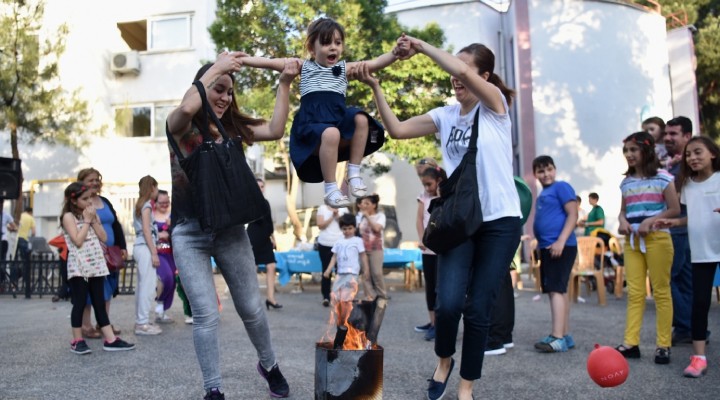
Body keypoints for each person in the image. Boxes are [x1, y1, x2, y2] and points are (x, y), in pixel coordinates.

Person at [355, 35, 522, 400]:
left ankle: (466, 387)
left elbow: (458, 67)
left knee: (478, 308)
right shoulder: (445, 116)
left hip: (500, 221)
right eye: (453, 71)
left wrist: (421, 47)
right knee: (447, 305)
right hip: (460, 222)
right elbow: (397, 130)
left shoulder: (495, 107)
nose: (455, 77)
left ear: (485, 76)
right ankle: (443, 359)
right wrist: (376, 86)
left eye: (463, 71)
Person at [165, 51, 297, 399]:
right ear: (202, 86)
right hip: (189, 233)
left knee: (252, 308)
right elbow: (186, 108)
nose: (224, 97)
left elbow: (275, 128)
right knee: (206, 314)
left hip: (229, 231)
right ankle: (213, 389)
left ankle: (269, 365)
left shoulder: (232, 127)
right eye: (218, 89)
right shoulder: (179, 127)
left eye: (229, 91)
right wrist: (218, 67)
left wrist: (283, 82)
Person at [240, 17, 401, 208]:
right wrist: (242, 59)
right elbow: (268, 62)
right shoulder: (304, 67)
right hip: (312, 125)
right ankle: (331, 188)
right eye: (326, 43)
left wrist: (395, 53)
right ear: (311, 48)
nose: (333, 47)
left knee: (361, 119)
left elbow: (375, 63)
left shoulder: (344, 69)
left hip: (338, 120)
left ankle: (354, 173)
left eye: (338, 43)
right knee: (331, 133)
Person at [655, 136, 720, 377]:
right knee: (700, 304)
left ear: (712, 153)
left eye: (698, 152)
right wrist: (673, 221)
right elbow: (694, 216)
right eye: (689, 154)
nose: (692, 158)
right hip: (702, 251)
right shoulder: (688, 185)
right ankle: (698, 358)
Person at [614, 131, 679, 364]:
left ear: (646, 150)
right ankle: (631, 343)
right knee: (636, 293)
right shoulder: (626, 182)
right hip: (632, 242)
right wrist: (622, 222)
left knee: (661, 291)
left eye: (634, 150)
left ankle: (663, 345)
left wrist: (650, 221)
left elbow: (674, 209)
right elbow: (623, 211)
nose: (629, 155)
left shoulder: (663, 177)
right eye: (626, 151)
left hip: (658, 239)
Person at [60, 182, 135, 354]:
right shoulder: (68, 217)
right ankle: (77, 340)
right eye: (84, 199)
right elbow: (77, 241)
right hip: (79, 266)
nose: (89, 202)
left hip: (95, 264)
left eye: (90, 199)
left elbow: (104, 237)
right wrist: (87, 221)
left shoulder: (92, 215)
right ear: (73, 200)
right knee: (79, 302)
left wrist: (94, 220)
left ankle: (110, 339)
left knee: (99, 302)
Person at [531, 155, 579, 353]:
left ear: (555, 169)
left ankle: (557, 337)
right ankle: (564, 335)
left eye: (549, 169)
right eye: (541, 171)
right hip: (549, 247)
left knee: (555, 290)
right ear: (535, 174)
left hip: (560, 246)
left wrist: (560, 240)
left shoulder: (561, 187)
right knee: (558, 289)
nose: (546, 174)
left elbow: (573, 214)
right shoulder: (544, 193)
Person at [77, 168, 127, 338]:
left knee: (108, 288)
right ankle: (86, 325)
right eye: (90, 180)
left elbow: (116, 225)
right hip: (91, 252)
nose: (95, 183)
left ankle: (102, 322)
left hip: (110, 253)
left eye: (97, 179)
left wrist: (122, 247)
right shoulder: (81, 202)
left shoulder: (104, 201)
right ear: (82, 182)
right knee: (91, 288)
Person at [664, 116, 694, 345]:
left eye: (673, 134)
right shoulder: (671, 163)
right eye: (666, 133)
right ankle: (689, 327)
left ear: (687, 136)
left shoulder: (687, 164)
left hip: (679, 225)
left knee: (666, 278)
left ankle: (686, 325)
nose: (667, 138)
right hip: (680, 226)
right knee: (683, 280)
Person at [415, 165, 446, 341]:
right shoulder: (423, 197)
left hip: (442, 250)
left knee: (441, 287)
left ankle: (441, 325)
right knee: (430, 287)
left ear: (438, 181)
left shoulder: (446, 196)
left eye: (429, 184)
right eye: (424, 184)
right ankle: (432, 322)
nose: (427, 188)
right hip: (428, 249)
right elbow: (419, 219)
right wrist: (422, 239)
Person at [322, 213, 369, 326]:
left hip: (352, 273)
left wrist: (366, 269)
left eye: (350, 228)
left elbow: (363, 255)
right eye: (344, 229)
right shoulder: (339, 241)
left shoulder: (357, 241)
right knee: (335, 296)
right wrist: (328, 270)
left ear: (354, 228)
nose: (347, 231)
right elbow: (334, 257)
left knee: (347, 298)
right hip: (340, 273)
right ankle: (341, 318)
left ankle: (347, 320)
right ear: (341, 229)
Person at [133, 175, 162, 335]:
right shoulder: (147, 206)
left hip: (139, 245)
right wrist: (154, 252)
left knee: (142, 285)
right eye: (156, 188)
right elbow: (146, 230)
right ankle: (142, 323)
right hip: (145, 246)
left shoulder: (139, 205)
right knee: (148, 286)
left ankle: (141, 321)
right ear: (152, 188)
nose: (157, 192)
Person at [247, 178, 281, 309]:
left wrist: (273, 238)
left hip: (266, 237)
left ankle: (271, 298)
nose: (260, 188)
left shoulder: (266, 202)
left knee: (271, 266)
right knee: (253, 268)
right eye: (258, 186)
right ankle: (252, 300)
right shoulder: (249, 202)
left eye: (262, 186)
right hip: (253, 238)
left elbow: (268, 222)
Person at [316, 202, 350, 307]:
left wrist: (338, 216)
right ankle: (326, 296)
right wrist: (332, 216)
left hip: (341, 244)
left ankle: (341, 296)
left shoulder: (344, 209)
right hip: (325, 244)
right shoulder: (322, 208)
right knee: (326, 270)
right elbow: (320, 225)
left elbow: (347, 225)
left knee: (341, 271)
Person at [358, 194, 387, 301]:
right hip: (363, 250)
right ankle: (370, 297)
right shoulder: (360, 217)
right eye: (362, 203)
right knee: (366, 274)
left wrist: (367, 217)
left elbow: (377, 228)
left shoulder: (380, 216)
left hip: (376, 248)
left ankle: (382, 296)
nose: (363, 205)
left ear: (374, 205)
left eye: (367, 203)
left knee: (377, 273)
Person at [153, 189, 176, 324]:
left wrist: (170, 228)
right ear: (155, 202)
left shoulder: (173, 215)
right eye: (161, 202)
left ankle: (163, 310)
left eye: (167, 202)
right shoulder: (150, 215)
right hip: (158, 253)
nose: (164, 205)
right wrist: (159, 235)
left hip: (171, 253)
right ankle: (160, 302)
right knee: (166, 277)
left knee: (172, 281)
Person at [15, 207, 35, 291]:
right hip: (24, 239)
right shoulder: (31, 218)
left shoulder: (20, 216)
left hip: (16, 239)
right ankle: (26, 282)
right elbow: (34, 232)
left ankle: (14, 280)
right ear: (30, 212)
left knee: (15, 260)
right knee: (26, 261)